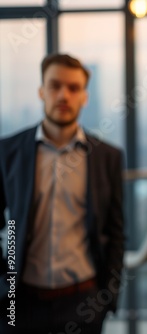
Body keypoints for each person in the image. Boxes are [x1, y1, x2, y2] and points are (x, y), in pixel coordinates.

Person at [0, 53, 125, 334]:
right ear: (41, 91)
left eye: (73, 88)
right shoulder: (8, 152)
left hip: (84, 300)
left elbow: (116, 232)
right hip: (19, 301)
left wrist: (107, 298)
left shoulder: (107, 157)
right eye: (55, 86)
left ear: (85, 97)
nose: (63, 95)